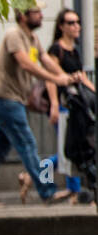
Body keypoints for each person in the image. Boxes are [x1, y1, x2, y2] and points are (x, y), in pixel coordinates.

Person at [0, 1, 82, 206]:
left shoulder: (32, 38)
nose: (40, 16)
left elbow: (45, 60)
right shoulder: (14, 35)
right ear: (23, 15)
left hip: (13, 100)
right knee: (28, 144)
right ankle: (47, 191)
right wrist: (56, 80)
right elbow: (26, 63)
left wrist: (65, 77)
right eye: (36, 12)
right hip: (6, 99)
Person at [45, 9, 93, 200]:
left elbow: (82, 78)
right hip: (64, 104)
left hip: (77, 106)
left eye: (77, 22)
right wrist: (54, 105)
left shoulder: (75, 50)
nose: (76, 26)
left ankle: (37, 172)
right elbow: (50, 78)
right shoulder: (56, 50)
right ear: (61, 26)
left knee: (71, 148)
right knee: (68, 149)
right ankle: (68, 187)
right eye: (71, 22)